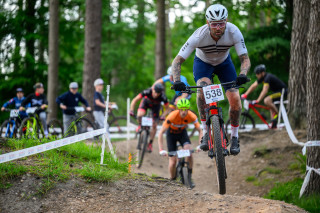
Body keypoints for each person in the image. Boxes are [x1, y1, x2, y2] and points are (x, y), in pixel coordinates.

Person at [171, 4, 251, 155]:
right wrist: (177, 81)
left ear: (226, 21)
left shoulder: (234, 31)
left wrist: (242, 74)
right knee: (202, 91)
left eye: (221, 23)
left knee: (235, 101)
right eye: (214, 24)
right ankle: (205, 132)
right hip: (203, 64)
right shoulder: (198, 35)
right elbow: (177, 61)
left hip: (224, 64)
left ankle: (234, 137)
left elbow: (245, 59)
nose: (218, 27)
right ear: (208, 22)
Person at [158, 99, 202, 187]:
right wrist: (161, 149)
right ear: (178, 109)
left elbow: (200, 130)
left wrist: (201, 144)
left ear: (188, 109)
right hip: (171, 135)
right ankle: (172, 179)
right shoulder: (172, 116)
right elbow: (161, 132)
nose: (184, 112)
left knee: (189, 153)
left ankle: (189, 175)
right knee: (173, 161)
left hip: (182, 133)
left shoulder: (191, 116)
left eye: (186, 109)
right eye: (181, 109)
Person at [130, 83, 169, 152]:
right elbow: (135, 100)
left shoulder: (163, 97)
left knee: (154, 125)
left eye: (158, 93)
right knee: (140, 114)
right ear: (153, 89)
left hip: (156, 107)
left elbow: (167, 109)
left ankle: (150, 143)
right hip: (146, 103)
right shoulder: (147, 91)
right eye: (155, 92)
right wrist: (131, 110)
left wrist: (163, 116)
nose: (156, 95)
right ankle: (140, 125)